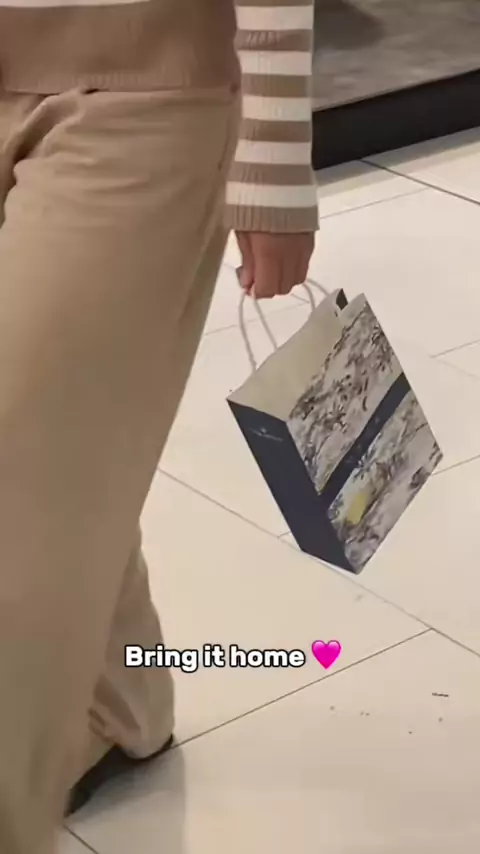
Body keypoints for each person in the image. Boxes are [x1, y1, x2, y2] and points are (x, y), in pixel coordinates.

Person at [0, 1, 318, 851]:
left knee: (18, 487)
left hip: (143, 81)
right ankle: (119, 702)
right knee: (57, 435)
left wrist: (274, 157)